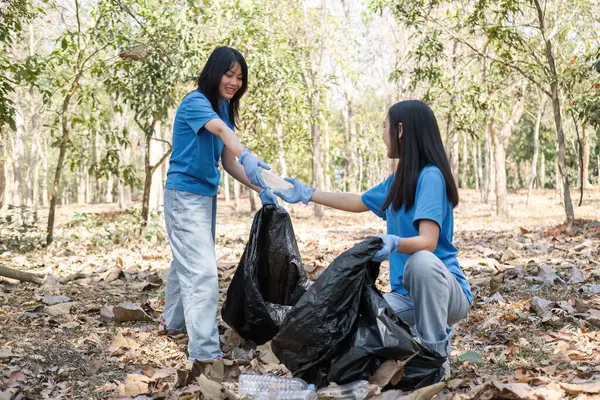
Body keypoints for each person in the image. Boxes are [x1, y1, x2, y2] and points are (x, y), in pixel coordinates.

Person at [275, 100, 472, 373]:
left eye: (384, 127)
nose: (383, 134)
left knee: (421, 261)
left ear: (400, 130)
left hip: (445, 293)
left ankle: (436, 357)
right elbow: (358, 201)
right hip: (406, 297)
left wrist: (393, 242)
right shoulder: (399, 180)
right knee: (354, 314)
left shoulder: (431, 177)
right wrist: (307, 194)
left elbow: (428, 241)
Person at [161, 46, 277, 367]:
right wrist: (248, 154)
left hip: (204, 196)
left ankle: (172, 323)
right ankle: (204, 350)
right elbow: (223, 134)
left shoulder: (223, 109)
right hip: (183, 195)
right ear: (214, 72)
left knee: (185, 259)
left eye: (240, 77)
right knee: (202, 271)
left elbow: (228, 161)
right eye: (229, 74)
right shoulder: (196, 103)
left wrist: (261, 185)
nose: (235, 82)